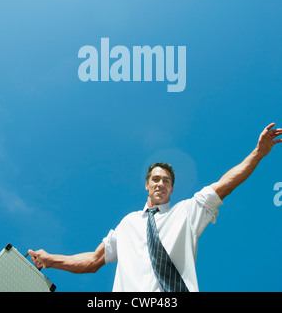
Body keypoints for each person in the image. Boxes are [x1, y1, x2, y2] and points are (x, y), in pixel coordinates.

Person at [28, 122, 282, 292]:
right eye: (156, 179)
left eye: (167, 181)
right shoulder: (127, 224)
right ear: (147, 185)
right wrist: (51, 260)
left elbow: (224, 184)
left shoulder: (187, 212)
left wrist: (258, 153)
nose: (161, 183)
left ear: (172, 189)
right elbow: (93, 261)